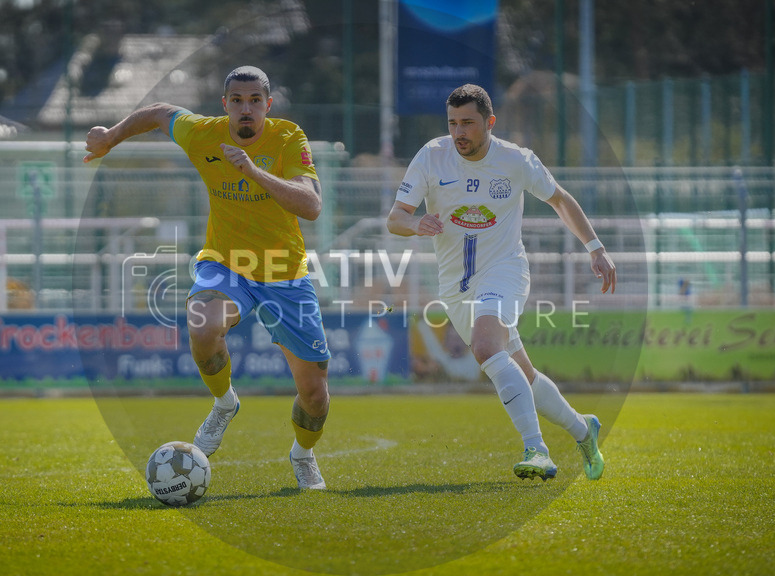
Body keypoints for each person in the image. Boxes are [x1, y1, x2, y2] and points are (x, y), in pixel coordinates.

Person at [84, 66, 330, 490]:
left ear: (268, 106)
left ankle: (303, 454)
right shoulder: (203, 133)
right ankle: (224, 402)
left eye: (255, 101)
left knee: (315, 396)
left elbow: (311, 205)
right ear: (225, 105)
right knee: (203, 324)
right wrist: (110, 138)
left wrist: (252, 171)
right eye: (237, 101)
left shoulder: (289, 137)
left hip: (283, 272)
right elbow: (160, 114)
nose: (246, 109)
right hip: (225, 263)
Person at [387, 84, 616, 482]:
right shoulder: (431, 156)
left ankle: (537, 449)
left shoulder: (515, 160)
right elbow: (395, 217)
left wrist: (595, 247)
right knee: (522, 373)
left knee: (485, 345)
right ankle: (584, 428)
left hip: (505, 270)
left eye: (468, 124)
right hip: (456, 284)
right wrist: (414, 223)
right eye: (453, 123)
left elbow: (560, 199)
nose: (459, 132)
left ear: (489, 123)